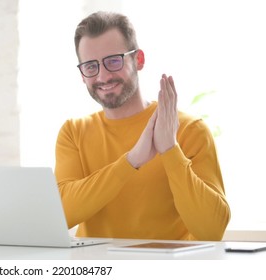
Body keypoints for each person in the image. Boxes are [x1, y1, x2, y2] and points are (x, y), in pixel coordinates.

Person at [54, 11, 230, 241]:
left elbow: (211, 230)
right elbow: (61, 214)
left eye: (113, 61)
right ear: (82, 74)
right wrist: (131, 161)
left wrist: (169, 149)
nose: (103, 76)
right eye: (90, 66)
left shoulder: (190, 130)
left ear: (138, 60)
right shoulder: (73, 133)